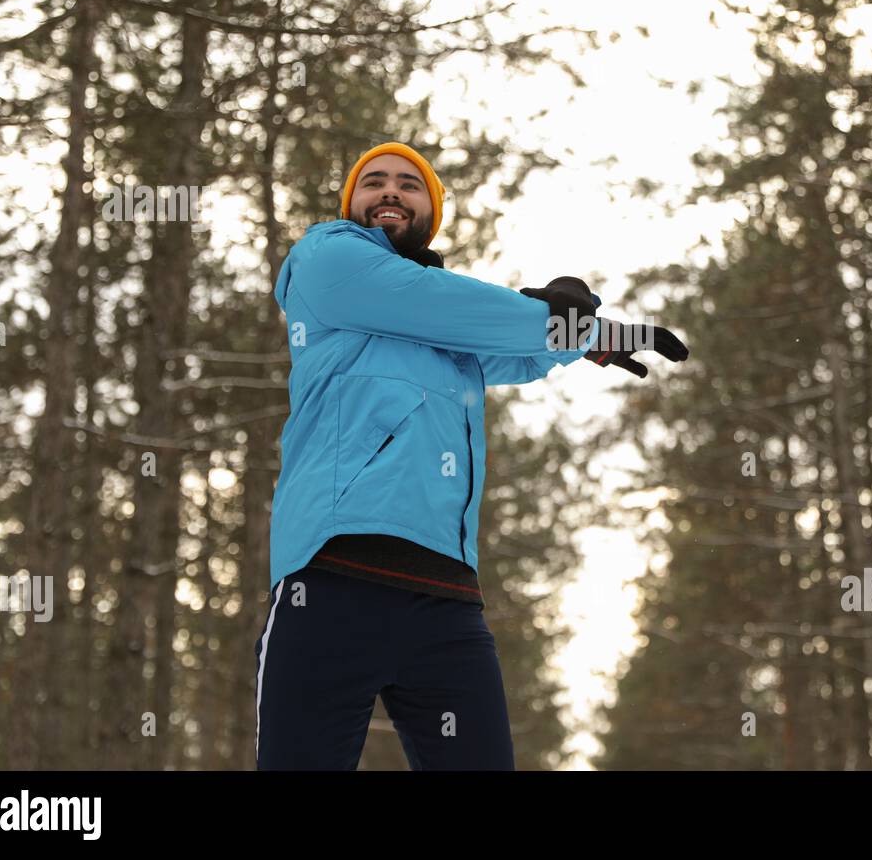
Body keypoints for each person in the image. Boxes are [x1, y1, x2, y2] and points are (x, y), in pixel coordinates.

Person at [253, 141, 689, 770]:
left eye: (410, 184)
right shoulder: (329, 259)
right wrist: (565, 323)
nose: (390, 191)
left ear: (430, 210)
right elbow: (446, 305)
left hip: (445, 601)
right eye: (373, 182)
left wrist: (588, 335)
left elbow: (513, 351)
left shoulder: (447, 334)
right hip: (329, 582)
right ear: (351, 204)